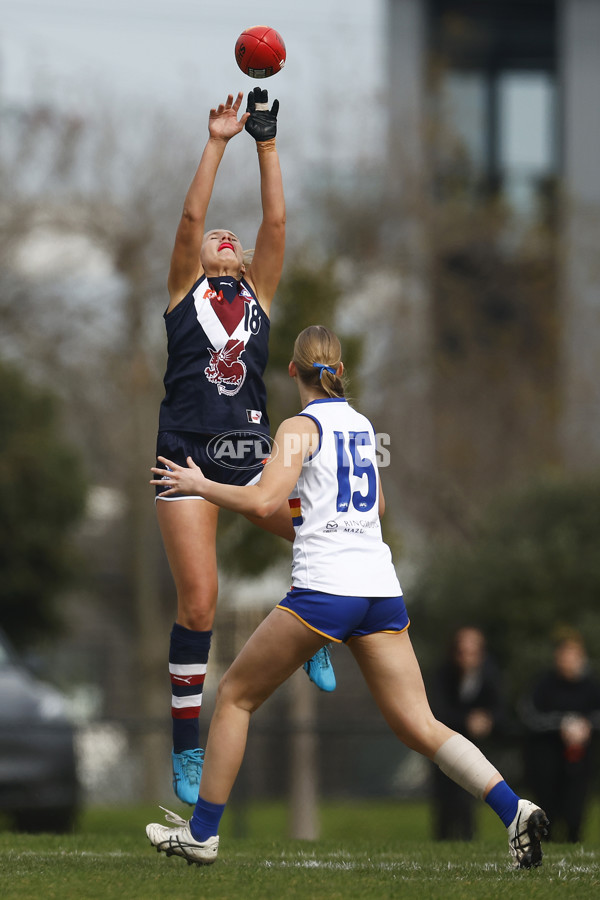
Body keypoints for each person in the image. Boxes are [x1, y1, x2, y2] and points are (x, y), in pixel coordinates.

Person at [147, 324, 549, 869]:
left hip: (325, 589)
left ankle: (202, 834)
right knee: (421, 724)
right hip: (380, 591)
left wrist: (201, 486)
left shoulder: (297, 426)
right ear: (338, 370)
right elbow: (377, 508)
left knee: (236, 696)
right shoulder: (362, 426)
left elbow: (264, 499)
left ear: (292, 371)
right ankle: (514, 808)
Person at [155, 90, 334, 806]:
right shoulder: (180, 293)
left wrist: (266, 142)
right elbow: (193, 215)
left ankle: (317, 631)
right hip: (186, 451)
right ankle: (186, 748)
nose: (223, 234)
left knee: (312, 524)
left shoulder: (259, 292)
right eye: (212, 238)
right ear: (198, 257)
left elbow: (278, 219)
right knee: (200, 603)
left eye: (235, 237)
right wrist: (218, 141)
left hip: (249, 448)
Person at [519, 630, 600, 842]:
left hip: (580, 763)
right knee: (548, 812)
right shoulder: (543, 685)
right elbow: (530, 716)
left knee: (575, 812)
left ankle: (574, 841)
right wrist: (561, 725)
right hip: (547, 761)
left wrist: (585, 726)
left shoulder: (591, 687)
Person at [429, 626, 505, 840]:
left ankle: (468, 839)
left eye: (472, 652)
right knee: (444, 803)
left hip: (476, 747)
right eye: (461, 651)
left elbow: (500, 710)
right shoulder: (443, 674)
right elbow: (438, 711)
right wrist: (467, 720)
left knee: (467, 800)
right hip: (444, 746)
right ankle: (442, 843)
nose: (466, 657)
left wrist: (486, 721)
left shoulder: (490, 676)